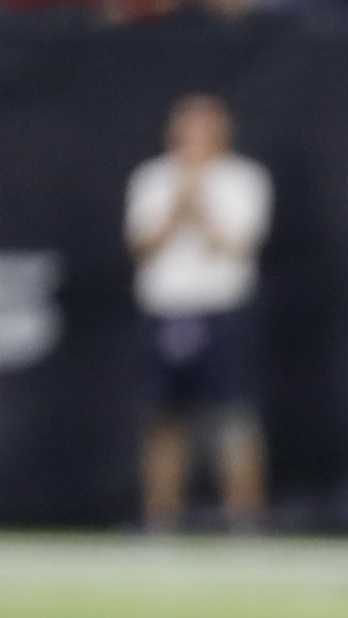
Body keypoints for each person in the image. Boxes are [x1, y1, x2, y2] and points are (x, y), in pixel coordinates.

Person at [125, 93, 272, 534]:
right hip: (166, 307)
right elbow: (142, 248)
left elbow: (234, 246)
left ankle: (244, 514)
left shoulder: (244, 179)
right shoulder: (152, 178)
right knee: (162, 416)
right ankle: (161, 516)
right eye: (189, 127)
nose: (197, 137)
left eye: (207, 127)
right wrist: (177, 204)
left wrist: (200, 202)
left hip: (222, 308)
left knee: (234, 414)